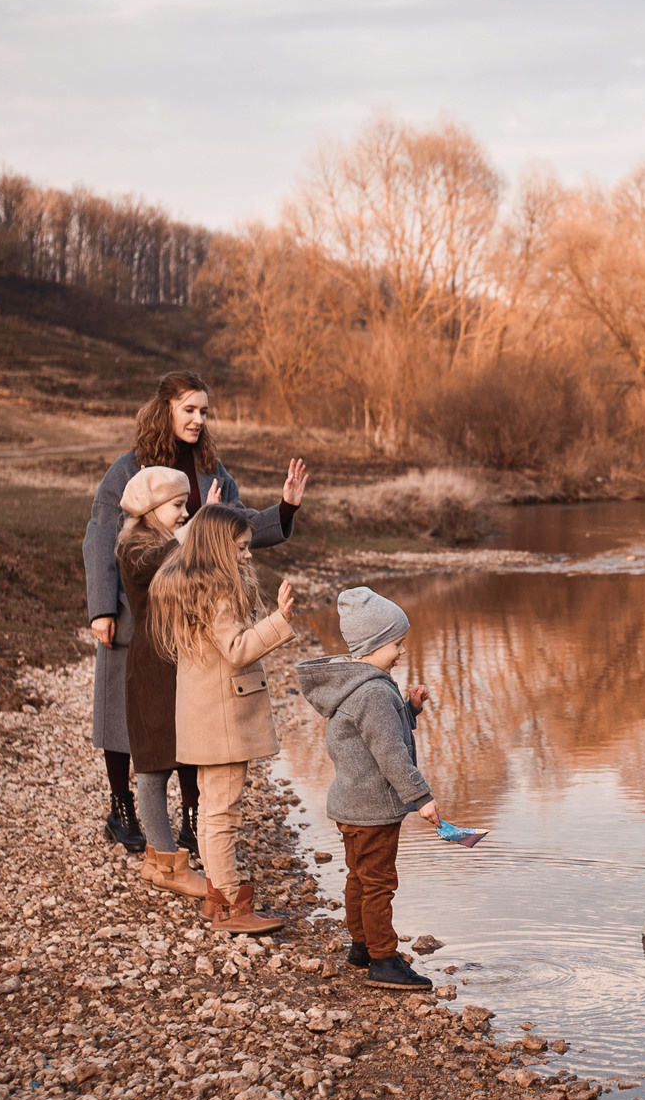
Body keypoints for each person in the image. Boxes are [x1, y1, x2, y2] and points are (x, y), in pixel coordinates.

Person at [82, 370, 309, 854]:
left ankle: (192, 818)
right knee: (125, 718)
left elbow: (234, 524)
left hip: (186, 615)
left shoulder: (212, 468)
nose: (198, 419)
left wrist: (284, 510)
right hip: (133, 610)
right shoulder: (127, 468)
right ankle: (122, 811)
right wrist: (101, 608)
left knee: (186, 715)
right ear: (165, 409)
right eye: (189, 409)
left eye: (204, 411)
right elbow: (102, 536)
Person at [149, 503, 296, 935]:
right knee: (223, 813)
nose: (249, 555)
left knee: (213, 807)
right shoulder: (218, 592)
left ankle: (219, 896)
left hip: (205, 713)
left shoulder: (191, 585)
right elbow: (236, 650)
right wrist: (279, 621)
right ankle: (230, 904)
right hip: (225, 718)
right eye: (242, 548)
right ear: (218, 547)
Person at [296, 586, 438, 992]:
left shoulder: (352, 682)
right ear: (375, 644)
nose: (401, 651)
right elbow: (390, 752)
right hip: (374, 809)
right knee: (378, 883)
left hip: (349, 806)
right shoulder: (375, 691)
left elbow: (372, 735)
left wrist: (409, 709)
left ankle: (361, 945)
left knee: (359, 877)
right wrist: (422, 798)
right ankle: (383, 959)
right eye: (397, 643)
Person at [113, 465, 208, 900]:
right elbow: (166, 561)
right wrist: (199, 533)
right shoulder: (136, 547)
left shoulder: (164, 541)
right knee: (153, 767)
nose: (185, 513)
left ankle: (157, 858)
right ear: (151, 508)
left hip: (176, 662)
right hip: (152, 667)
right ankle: (168, 863)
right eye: (177, 506)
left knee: (182, 753)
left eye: (187, 506)